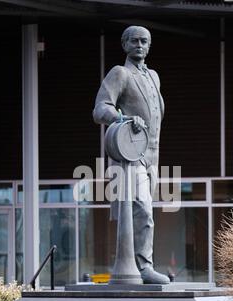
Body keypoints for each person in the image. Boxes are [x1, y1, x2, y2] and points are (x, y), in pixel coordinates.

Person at [93, 26, 169, 285]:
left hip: (153, 156)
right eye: (134, 41)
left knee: (146, 212)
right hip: (130, 152)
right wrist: (123, 117)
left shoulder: (154, 76)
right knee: (143, 210)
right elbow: (100, 108)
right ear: (124, 44)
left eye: (144, 41)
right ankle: (143, 267)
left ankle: (141, 264)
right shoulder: (120, 73)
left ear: (149, 46)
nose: (139, 45)